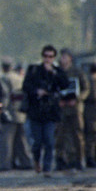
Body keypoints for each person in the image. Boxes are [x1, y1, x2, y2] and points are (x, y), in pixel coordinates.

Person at [22, 44, 70, 177]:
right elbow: (25, 86)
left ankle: (47, 168)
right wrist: (36, 91)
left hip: (50, 111)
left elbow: (65, 84)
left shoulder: (57, 71)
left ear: (54, 57)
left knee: (49, 141)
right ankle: (37, 160)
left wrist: (53, 73)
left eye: (50, 56)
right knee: (37, 142)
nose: (48, 59)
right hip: (36, 111)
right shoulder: (34, 70)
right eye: (46, 56)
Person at [55, 49, 89, 171]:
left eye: (65, 56)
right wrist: (58, 100)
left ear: (70, 58)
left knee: (77, 135)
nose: (63, 59)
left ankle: (79, 160)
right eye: (62, 56)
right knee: (59, 135)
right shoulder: (57, 72)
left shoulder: (77, 72)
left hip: (75, 108)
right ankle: (60, 160)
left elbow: (86, 89)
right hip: (61, 109)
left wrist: (77, 99)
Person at [0, 58, 32, 171]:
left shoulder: (4, 78)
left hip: (10, 112)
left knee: (7, 140)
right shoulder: (19, 77)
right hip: (21, 112)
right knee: (21, 139)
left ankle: (5, 164)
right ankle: (26, 161)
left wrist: (2, 109)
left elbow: (5, 95)